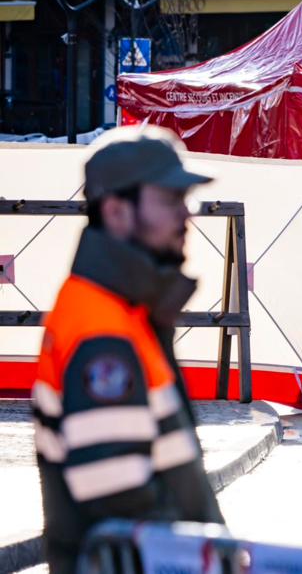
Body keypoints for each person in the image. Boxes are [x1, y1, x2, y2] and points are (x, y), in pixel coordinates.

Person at [31, 127, 224, 574]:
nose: (185, 216)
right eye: (170, 200)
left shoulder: (119, 311)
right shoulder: (101, 327)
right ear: (117, 211)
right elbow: (116, 491)